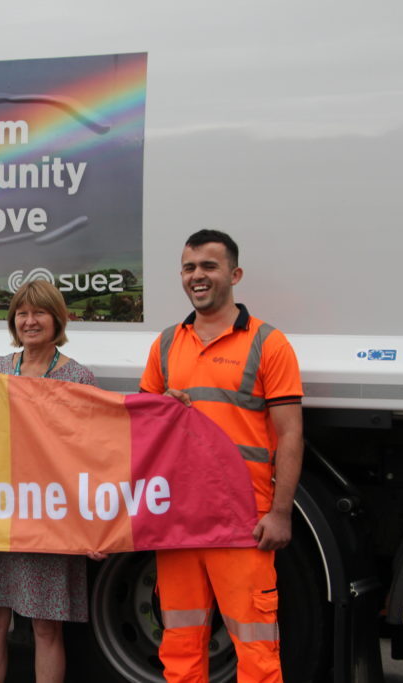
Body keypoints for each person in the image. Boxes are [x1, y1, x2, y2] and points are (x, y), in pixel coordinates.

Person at [140, 229, 303, 682]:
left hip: (243, 521)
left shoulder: (268, 343)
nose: (198, 276)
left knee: (256, 651)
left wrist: (281, 512)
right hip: (180, 520)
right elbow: (140, 433)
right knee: (180, 646)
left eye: (209, 266)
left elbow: (290, 436)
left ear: (234, 274)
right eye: (190, 267)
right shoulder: (167, 343)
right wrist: (163, 409)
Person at [0, 279, 105, 683]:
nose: (30, 321)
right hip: (0, 513)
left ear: (57, 319)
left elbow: (95, 453)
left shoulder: (79, 377)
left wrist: (98, 524)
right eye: (22, 314)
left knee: (46, 627)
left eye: (39, 313)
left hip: (51, 516)